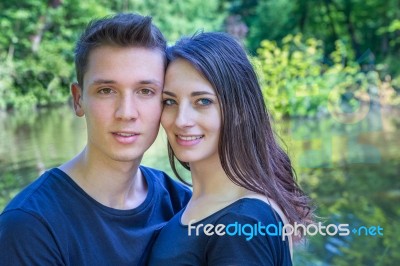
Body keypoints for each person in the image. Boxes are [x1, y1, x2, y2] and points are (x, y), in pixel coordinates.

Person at [0, 13, 191, 265]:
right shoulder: (30, 226)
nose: (126, 113)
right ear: (78, 99)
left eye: (145, 91)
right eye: (106, 91)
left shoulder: (183, 204)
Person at [147, 32, 314, 265]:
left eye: (203, 101)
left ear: (240, 111)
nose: (181, 120)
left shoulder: (243, 224)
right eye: (170, 101)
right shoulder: (201, 204)